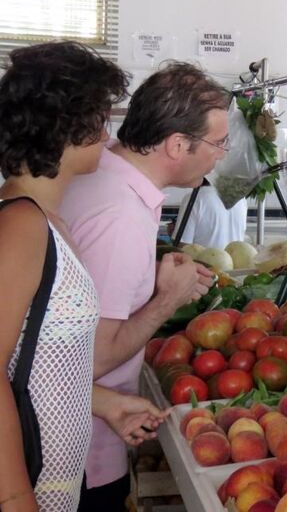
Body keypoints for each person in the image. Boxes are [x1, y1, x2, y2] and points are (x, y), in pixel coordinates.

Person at [0, 42, 169, 512]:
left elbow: (30, 362)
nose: (107, 132)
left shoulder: (49, 220)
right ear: (68, 126)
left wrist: (104, 403)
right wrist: (14, 499)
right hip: (31, 491)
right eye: (100, 116)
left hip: (59, 484)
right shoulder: (21, 224)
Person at [60, 62, 227, 511]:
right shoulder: (121, 216)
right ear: (177, 144)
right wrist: (165, 299)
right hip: (80, 450)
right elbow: (91, 359)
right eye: (218, 143)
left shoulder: (108, 175)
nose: (221, 154)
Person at [173, 179, 248, 249]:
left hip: (203, 262)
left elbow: (183, 247)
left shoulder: (194, 199)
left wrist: (175, 235)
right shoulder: (240, 198)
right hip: (235, 262)